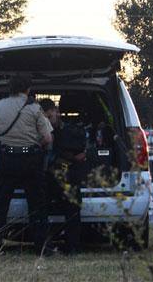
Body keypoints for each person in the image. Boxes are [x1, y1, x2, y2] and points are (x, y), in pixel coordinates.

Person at [0, 76, 54, 256]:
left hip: (7, 160)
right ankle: (41, 247)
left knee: (0, 205)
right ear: (28, 89)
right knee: (37, 205)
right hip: (31, 160)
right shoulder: (34, 108)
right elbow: (48, 138)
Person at [39, 98, 85, 254]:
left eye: (50, 118)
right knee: (39, 206)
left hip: (67, 175)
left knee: (73, 207)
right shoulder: (35, 132)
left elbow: (83, 151)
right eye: (44, 119)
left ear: (57, 112)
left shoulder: (72, 131)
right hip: (45, 177)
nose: (48, 122)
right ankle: (44, 245)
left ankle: (73, 245)